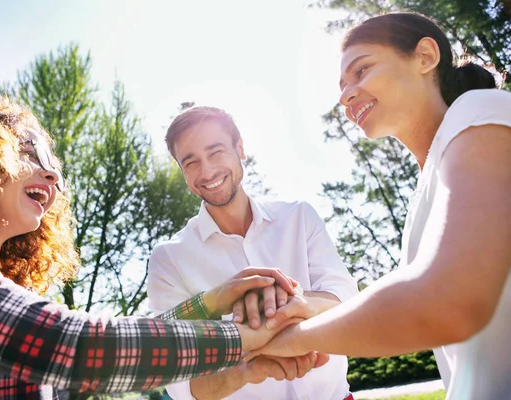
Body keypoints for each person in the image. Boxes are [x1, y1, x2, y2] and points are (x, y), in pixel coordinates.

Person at [0, 92, 320, 399]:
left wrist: (211, 302)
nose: (52, 176)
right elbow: (71, 345)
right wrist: (248, 338)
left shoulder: (0, 288)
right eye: (30, 152)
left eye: (54, 166)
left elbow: (107, 352)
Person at [245, 12, 511, 400]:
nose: (344, 95)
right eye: (341, 86)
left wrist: (293, 340)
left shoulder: (481, 110)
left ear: (425, 56)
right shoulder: (426, 190)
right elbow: (414, 301)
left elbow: (448, 302)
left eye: (362, 70)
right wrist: (306, 311)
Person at [147, 106, 358, 400]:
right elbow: (181, 385)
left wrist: (290, 302)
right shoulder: (168, 259)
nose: (207, 172)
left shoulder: (299, 217)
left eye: (216, 152)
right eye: (191, 162)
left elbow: (346, 300)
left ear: (240, 148)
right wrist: (247, 369)